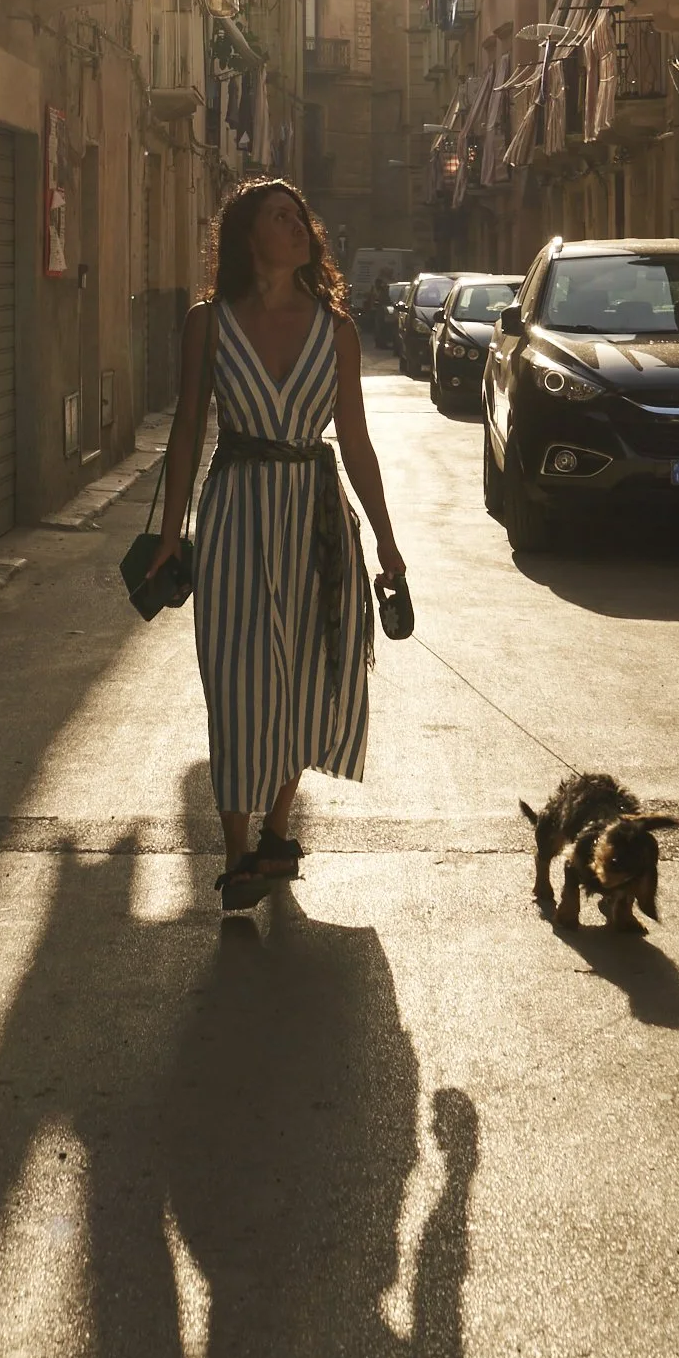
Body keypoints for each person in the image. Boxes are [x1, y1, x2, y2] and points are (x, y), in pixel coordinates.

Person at [146, 179, 407, 913]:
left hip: (315, 517)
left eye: (301, 218)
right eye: (280, 219)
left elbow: (354, 441)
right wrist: (171, 536)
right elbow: (188, 431)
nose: (299, 228)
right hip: (232, 514)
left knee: (302, 673)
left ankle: (277, 832)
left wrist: (387, 540)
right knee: (234, 681)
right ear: (247, 238)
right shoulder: (209, 324)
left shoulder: (337, 329)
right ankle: (235, 854)